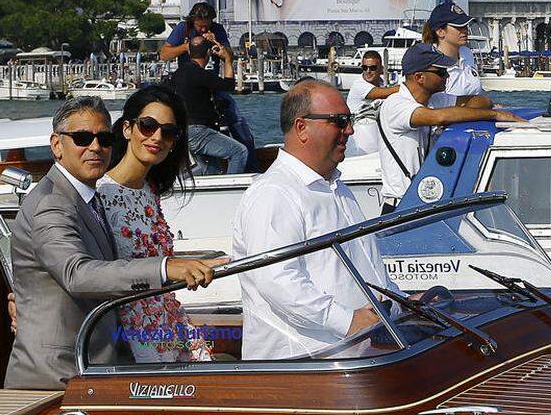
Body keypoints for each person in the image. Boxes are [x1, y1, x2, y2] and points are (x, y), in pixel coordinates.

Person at [4, 96, 219, 390]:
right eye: (82, 138)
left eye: (104, 138)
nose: (95, 147)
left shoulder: (89, 197)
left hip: (105, 357)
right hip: (57, 378)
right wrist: (166, 268)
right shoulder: (52, 203)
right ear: (56, 145)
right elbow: (77, 274)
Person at [231, 78, 403, 360]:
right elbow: (277, 280)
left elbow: (366, 268)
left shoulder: (337, 187)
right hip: (302, 369)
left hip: (356, 359)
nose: (349, 130)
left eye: (350, 120)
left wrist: (401, 302)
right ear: (302, 127)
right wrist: (348, 321)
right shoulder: (274, 193)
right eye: (339, 121)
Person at [97, 85, 219, 362]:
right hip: (128, 330)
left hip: (167, 318)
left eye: (169, 131)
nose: (157, 137)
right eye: (148, 126)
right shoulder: (101, 194)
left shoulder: (150, 190)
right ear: (127, 129)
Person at [377, 43, 523, 214]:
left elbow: (482, 101)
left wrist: (456, 113)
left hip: (423, 202)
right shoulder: (395, 104)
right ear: (419, 77)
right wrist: (494, 115)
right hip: (400, 205)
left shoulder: (435, 101)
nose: (446, 76)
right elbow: (439, 117)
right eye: (440, 72)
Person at [170, 34, 248, 175]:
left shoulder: (177, 74)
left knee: (212, 170)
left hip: (183, 131)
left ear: (189, 52)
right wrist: (228, 60)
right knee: (239, 152)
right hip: (199, 131)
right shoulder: (201, 74)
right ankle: (231, 190)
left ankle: (178, 184)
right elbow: (229, 85)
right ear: (208, 53)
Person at [421, 2, 483, 108]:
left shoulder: (466, 53)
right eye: (459, 27)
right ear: (440, 32)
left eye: (465, 26)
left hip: (474, 119)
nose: (465, 31)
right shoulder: (429, 61)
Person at [345, 50, 399, 155]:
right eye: (364, 68)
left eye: (373, 68)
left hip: (377, 134)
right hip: (360, 137)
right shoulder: (359, 86)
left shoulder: (382, 84)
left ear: (381, 69)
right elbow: (386, 93)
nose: (368, 71)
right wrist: (411, 86)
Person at [160, 2, 234, 64]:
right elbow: (164, 55)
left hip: (210, 77)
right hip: (187, 76)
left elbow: (230, 57)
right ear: (192, 21)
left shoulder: (217, 29)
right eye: (200, 26)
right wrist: (187, 47)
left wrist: (216, 43)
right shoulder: (184, 28)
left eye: (207, 25)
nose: (203, 29)